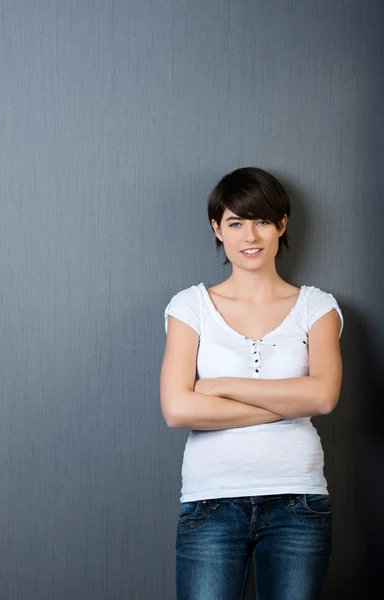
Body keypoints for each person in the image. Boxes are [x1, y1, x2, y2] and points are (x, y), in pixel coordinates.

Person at [160, 167, 344, 600]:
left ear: (282, 224)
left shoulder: (317, 307)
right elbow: (178, 410)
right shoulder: (191, 307)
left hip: (297, 500)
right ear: (217, 230)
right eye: (236, 223)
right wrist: (292, 401)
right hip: (210, 502)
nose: (251, 236)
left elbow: (324, 396)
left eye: (262, 220)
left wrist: (219, 385)